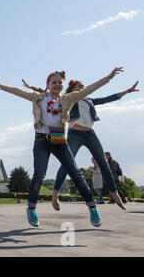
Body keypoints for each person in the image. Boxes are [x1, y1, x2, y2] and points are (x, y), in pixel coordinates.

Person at [0, 67, 124, 228]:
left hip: (60, 141)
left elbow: (89, 89)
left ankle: (93, 207)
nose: (57, 85)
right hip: (42, 141)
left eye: (60, 82)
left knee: (76, 173)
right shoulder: (38, 97)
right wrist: (1, 86)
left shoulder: (68, 98)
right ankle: (31, 208)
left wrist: (108, 77)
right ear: (47, 85)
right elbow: (19, 92)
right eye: (54, 82)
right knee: (39, 174)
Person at [22, 78, 138, 211]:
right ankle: (55, 194)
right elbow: (48, 94)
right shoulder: (69, 99)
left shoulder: (89, 101)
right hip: (74, 134)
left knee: (103, 162)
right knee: (67, 165)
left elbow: (107, 98)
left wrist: (128, 91)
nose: (82, 88)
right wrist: (33, 87)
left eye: (83, 86)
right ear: (72, 88)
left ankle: (114, 193)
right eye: (79, 86)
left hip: (90, 134)